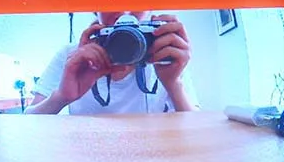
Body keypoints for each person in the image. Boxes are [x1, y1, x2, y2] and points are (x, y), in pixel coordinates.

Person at [28, 11, 197, 115]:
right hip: (86, 157)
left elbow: (195, 128)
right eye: (111, 1)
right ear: (96, 10)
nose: (124, 14)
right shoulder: (72, 56)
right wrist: (62, 97)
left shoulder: (163, 54)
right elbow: (29, 120)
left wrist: (173, 84)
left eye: (136, 1)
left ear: (150, 10)